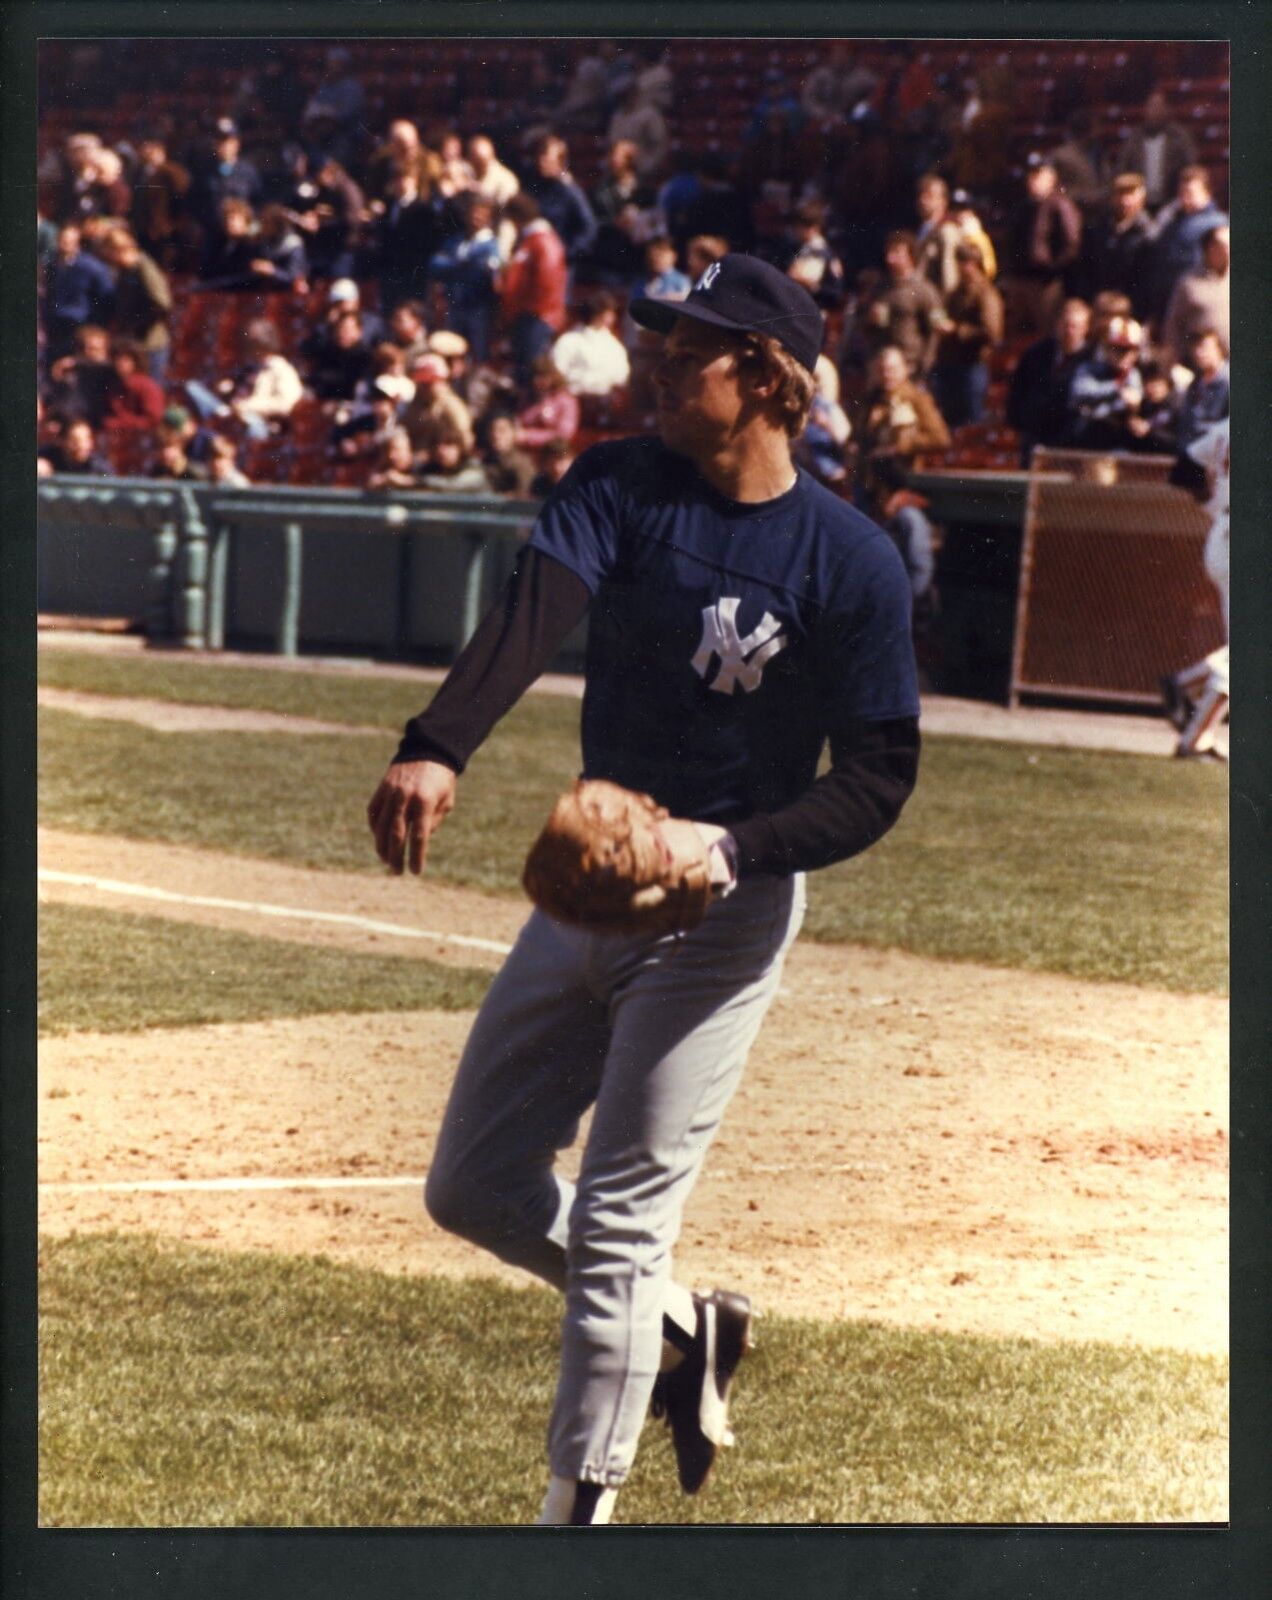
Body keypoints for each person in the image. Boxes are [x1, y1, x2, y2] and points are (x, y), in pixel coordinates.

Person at [364, 254, 919, 1525]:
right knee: (474, 1186)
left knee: (617, 1219)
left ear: (768, 377)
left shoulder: (851, 561)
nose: (659, 365)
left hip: (720, 916)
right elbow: (530, 611)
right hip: (590, 894)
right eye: (660, 343)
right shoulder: (618, 484)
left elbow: (880, 775)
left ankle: (577, 1518)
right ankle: (689, 1327)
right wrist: (439, 741)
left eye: (691, 351)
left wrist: (727, 848)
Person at [851, 344, 950, 609]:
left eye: (893, 368)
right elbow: (858, 442)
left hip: (906, 486)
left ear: (905, 370)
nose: (887, 374)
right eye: (882, 369)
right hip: (872, 488)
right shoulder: (869, 401)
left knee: (914, 537)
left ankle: (914, 606)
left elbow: (940, 437)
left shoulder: (917, 399)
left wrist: (902, 446)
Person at [1161, 416, 1228, 760]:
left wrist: (1213, 506)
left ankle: (1184, 683)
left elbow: (1183, 468)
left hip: (1227, 532)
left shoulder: (1229, 425)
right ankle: (1194, 740)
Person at [1003, 154, 1083, 338]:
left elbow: (1072, 245)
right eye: (1030, 175)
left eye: (1038, 174)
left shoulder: (1060, 205)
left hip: (1046, 284)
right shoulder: (1023, 206)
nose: (1033, 180)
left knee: (1047, 333)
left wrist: (1052, 269)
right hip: (1022, 280)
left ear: (1052, 177)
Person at [1005, 297, 1094, 463]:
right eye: (1065, 324)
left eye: (1074, 326)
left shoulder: (1093, 359)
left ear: (1085, 328)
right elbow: (1018, 392)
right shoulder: (1036, 355)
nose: (1069, 331)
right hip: (1036, 437)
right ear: (1057, 324)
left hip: (1072, 443)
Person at [929, 241, 1003, 428]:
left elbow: (992, 333)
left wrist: (957, 330)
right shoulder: (955, 292)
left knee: (972, 422)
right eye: (959, 262)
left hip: (972, 366)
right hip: (950, 364)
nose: (962, 267)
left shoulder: (985, 293)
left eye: (966, 262)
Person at [499, 194, 569, 392]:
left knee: (532, 372)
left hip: (536, 317)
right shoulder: (534, 241)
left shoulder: (540, 242)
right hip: (530, 316)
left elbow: (546, 282)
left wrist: (529, 311)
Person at [1115, 88, 1199, 214]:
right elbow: (1122, 170)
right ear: (1145, 109)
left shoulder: (1180, 137)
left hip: (1172, 205)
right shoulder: (1134, 139)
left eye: (1159, 106)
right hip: (1140, 206)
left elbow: (1191, 169)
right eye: (1152, 106)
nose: (1155, 110)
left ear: (1167, 109)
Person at [1160, 224, 1229, 370]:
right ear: (1208, 248)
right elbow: (1173, 323)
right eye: (1222, 245)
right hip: (1200, 363)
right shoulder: (1189, 282)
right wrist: (1175, 360)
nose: (1227, 249)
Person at [550, 292, 631, 397]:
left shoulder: (615, 346)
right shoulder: (569, 341)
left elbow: (621, 377)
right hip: (573, 400)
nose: (612, 317)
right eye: (608, 312)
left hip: (605, 403)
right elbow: (557, 373)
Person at [1174, 328, 1229, 449]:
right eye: (1196, 348)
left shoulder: (1228, 383)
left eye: (1204, 347)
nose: (1198, 353)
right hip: (1191, 452)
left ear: (1219, 349)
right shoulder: (1196, 383)